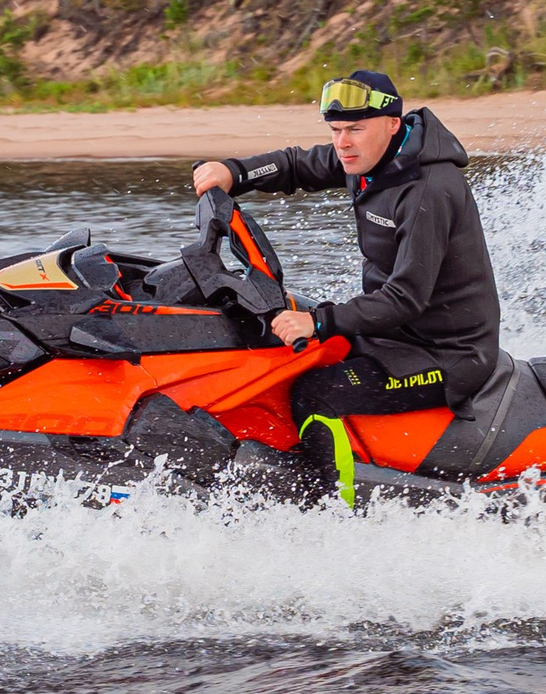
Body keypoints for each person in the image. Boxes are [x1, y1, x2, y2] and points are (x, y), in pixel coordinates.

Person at [192, 71, 501, 456]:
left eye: (354, 129)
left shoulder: (427, 190)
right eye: (336, 130)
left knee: (317, 392)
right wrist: (235, 172)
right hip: (394, 336)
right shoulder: (373, 158)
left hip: (449, 356)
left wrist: (318, 321)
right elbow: (296, 165)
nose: (342, 143)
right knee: (280, 359)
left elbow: (405, 298)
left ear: (392, 124)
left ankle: (337, 506)